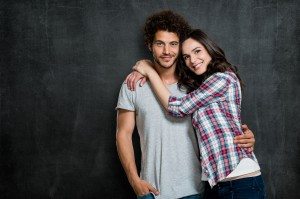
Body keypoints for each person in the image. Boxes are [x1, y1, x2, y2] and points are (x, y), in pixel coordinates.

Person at [116, 10, 256, 199]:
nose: (167, 51)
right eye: (160, 44)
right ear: (150, 45)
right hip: (151, 189)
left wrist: (246, 136)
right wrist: (134, 180)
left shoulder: (196, 84)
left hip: (197, 189)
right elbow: (123, 134)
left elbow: (221, 121)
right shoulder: (133, 84)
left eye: (173, 44)